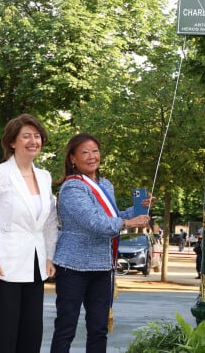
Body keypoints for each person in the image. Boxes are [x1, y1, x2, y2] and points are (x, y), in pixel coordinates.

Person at [0, 114, 59, 353]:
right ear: (12, 142)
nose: (33, 141)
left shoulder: (45, 177)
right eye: (26, 136)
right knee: (2, 342)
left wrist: (49, 257)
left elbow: (49, 222)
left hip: (34, 270)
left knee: (30, 341)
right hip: (1, 270)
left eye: (37, 136)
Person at [50, 133, 154, 353]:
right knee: (66, 328)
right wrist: (128, 222)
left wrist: (138, 209)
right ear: (73, 159)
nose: (91, 156)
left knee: (98, 329)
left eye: (95, 151)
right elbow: (93, 222)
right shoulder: (72, 188)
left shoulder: (106, 184)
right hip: (73, 268)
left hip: (103, 267)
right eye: (84, 152)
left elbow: (112, 216)